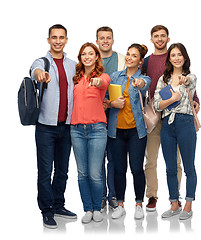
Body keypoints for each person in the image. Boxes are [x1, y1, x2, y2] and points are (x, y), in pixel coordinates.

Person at [142, 25, 200, 212]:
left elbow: (190, 83)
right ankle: (153, 196)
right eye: (156, 36)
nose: (159, 39)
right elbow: (155, 98)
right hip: (156, 118)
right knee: (152, 160)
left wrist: (192, 96)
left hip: (180, 122)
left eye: (163, 36)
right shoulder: (149, 63)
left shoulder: (188, 75)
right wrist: (170, 99)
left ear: (167, 38)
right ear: (151, 39)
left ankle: (180, 200)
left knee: (178, 163)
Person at [31, 24, 77, 229]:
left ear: (66, 40)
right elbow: (35, 70)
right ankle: (47, 210)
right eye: (54, 37)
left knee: (62, 170)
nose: (58, 41)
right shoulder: (42, 62)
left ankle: (59, 205)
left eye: (61, 37)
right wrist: (40, 74)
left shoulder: (72, 64)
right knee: (45, 170)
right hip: (46, 127)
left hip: (66, 126)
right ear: (48, 40)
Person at [153, 43, 197, 220]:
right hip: (167, 126)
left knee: (189, 167)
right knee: (170, 167)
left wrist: (183, 81)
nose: (177, 58)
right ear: (169, 59)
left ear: (184, 57)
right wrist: (172, 98)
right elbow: (156, 104)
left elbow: (189, 82)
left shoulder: (191, 77)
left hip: (185, 123)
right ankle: (174, 203)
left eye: (180, 55)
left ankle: (188, 204)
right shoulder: (163, 80)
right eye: (173, 55)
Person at [107, 44, 151, 220]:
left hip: (136, 132)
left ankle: (139, 203)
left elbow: (144, 86)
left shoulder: (144, 79)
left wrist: (139, 83)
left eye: (134, 56)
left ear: (140, 61)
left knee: (136, 168)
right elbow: (105, 100)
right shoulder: (115, 76)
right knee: (119, 169)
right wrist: (111, 103)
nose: (129, 58)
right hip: (116, 131)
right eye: (128, 54)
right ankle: (120, 205)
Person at [70, 42, 110, 224]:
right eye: (83, 54)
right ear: (80, 58)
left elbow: (104, 83)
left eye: (90, 54)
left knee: (95, 173)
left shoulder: (103, 76)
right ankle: (87, 208)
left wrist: (97, 81)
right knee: (82, 173)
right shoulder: (76, 78)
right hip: (76, 129)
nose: (87, 57)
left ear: (96, 57)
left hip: (97, 130)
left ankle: (97, 208)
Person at [96, 26, 126, 212]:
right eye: (102, 38)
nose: (105, 41)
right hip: (96, 115)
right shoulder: (90, 58)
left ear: (113, 40)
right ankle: (100, 196)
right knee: (98, 158)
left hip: (116, 114)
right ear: (97, 41)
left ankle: (113, 196)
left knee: (114, 158)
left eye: (108, 38)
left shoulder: (122, 59)